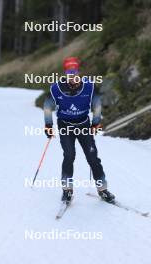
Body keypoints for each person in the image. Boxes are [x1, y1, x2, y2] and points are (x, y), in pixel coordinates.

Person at [43, 57, 115, 203]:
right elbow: (47, 106)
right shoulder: (56, 88)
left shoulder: (89, 86)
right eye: (69, 72)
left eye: (74, 72)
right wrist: (48, 125)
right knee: (69, 155)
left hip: (83, 125)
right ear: (65, 73)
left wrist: (96, 122)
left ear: (78, 71)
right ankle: (67, 191)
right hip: (65, 125)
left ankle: (103, 190)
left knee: (93, 157)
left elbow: (96, 104)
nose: (72, 75)